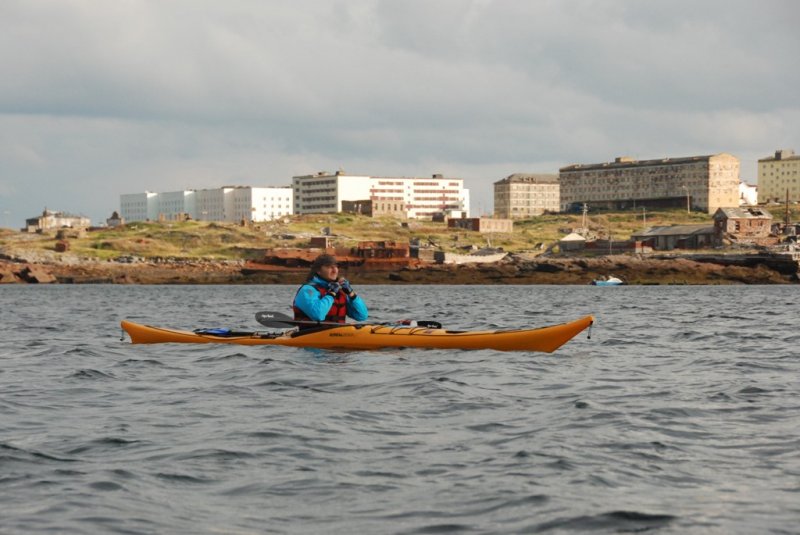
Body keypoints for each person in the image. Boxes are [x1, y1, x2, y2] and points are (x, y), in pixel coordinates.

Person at [292, 254, 368, 327]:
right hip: (310, 335)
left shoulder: (340, 291)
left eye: (336, 267)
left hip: (337, 336)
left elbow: (362, 316)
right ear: (318, 270)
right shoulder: (307, 290)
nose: (335, 270)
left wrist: (351, 294)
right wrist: (331, 294)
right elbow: (318, 315)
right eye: (329, 267)